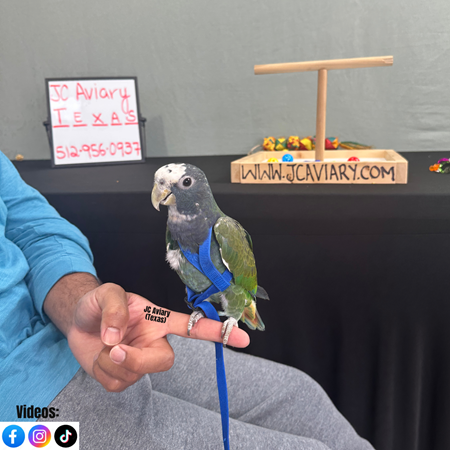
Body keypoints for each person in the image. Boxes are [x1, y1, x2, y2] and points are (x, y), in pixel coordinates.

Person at [0, 150, 374, 449]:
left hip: (71, 333)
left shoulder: (224, 231)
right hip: (20, 407)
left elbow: (31, 226)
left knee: (301, 398)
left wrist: (77, 302)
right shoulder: (174, 234)